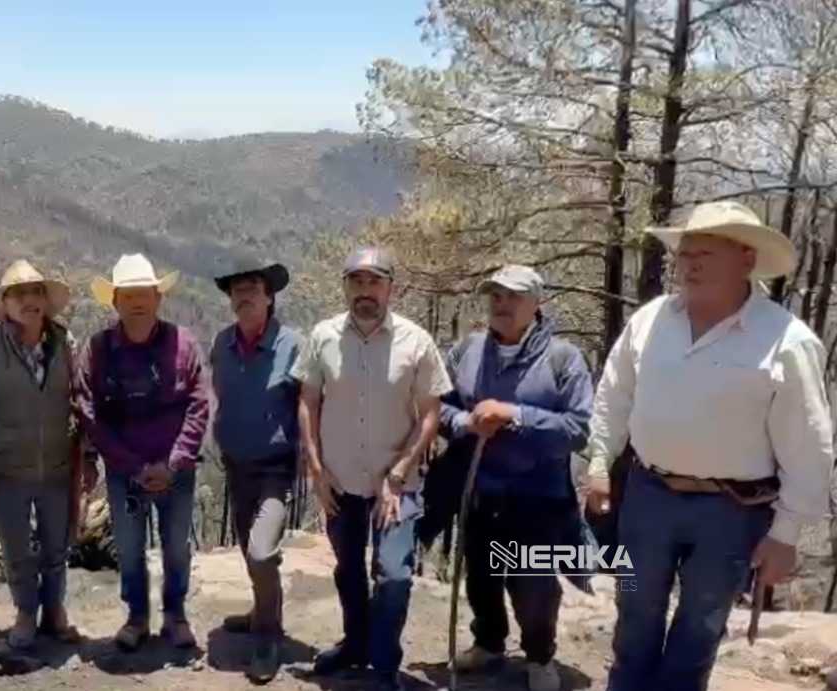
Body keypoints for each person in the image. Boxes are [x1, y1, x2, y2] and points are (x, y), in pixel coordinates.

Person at [585, 201, 835, 691]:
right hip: (648, 497)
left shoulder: (787, 341)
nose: (691, 263)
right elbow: (614, 393)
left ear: (745, 259)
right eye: (685, 253)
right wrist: (598, 460)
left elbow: (810, 446)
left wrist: (785, 534)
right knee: (633, 608)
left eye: (706, 253)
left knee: (700, 627)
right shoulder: (651, 320)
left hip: (733, 511)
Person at [292, 246, 453, 691]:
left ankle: (383, 666)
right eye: (356, 282)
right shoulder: (323, 336)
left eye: (374, 282)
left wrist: (400, 471)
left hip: (396, 484)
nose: (365, 292)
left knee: (395, 575)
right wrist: (315, 467)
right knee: (347, 568)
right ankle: (355, 644)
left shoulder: (416, 342)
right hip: (339, 478)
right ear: (345, 287)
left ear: (390, 288)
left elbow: (429, 414)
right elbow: (307, 401)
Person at [438, 265, 594, 691]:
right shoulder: (467, 352)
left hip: (539, 500)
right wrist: (466, 422)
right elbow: (440, 408)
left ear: (537, 304)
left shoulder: (564, 359)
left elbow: (579, 430)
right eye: (496, 297)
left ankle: (540, 656)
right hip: (480, 491)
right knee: (482, 578)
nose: (502, 305)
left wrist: (516, 415)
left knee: (535, 588)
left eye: (513, 297)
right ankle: (488, 644)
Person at [73, 254, 210, 652]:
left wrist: (173, 463)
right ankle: (136, 617)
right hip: (124, 472)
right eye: (128, 295)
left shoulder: (183, 344)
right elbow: (89, 412)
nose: (137, 302)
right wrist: (131, 466)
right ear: (114, 301)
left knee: (176, 548)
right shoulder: (98, 350)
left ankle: (176, 615)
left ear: (157, 298)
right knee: (130, 549)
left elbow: (199, 405)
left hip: (176, 471)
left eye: (144, 294)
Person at [0, 259, 90, 650]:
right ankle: (24, 612)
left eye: (36, 292)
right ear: (6, 304)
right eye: (19, 294)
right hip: (7, 467)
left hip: (56, 464)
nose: (29, 301)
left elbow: (79, 404)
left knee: (58, 544)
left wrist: (86, 463)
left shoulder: (65, 345)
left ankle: (54, 611)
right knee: (16, 548)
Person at [209, 257, 303, 684]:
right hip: (237, 465)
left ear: (269, 296)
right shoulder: (222, 345)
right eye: (236, 289)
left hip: (275, 469)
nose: (244, 295)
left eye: (253, 287)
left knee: (262, 550)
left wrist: (315, 463)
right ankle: (260, 611)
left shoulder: (292, 346)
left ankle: (268, 635)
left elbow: (310, 406)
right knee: (250, 550)